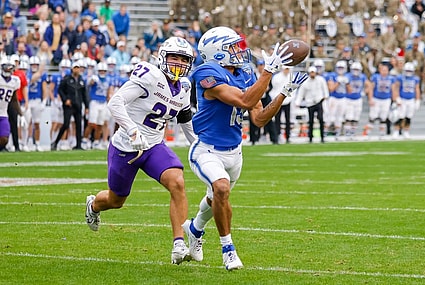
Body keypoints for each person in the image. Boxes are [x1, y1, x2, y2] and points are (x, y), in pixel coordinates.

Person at [183, 26, 308, 270]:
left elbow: (259, 118)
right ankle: (228, 249)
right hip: (206, 149)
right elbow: (244, 100)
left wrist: (283, 93)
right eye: (233, 47)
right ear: (216, 52)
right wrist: (268, 73)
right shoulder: (206, 73)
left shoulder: (245, 73)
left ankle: (195, 228)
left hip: (234, 152)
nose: (240, 51)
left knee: (214, 198)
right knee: (220, 189)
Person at [84, 37, 197, 265]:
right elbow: (115, 103)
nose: (178, 63)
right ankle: (93, 205)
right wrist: (133, 131)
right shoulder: (149, 76)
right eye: (174, 57)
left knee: (177, 181)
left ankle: (179, 244)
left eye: (183, 59)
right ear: (162, 57)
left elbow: (185, 118)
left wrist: (197, 145)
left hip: (154, 145)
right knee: (116, 201)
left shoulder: (184, 86)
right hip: (127, 146)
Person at [51, 61, 88, 150]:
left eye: (78, 68)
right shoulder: (66, 79)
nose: (77, 70)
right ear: (72, 69)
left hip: (78, 104)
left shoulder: (81, 80)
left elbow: (84, 94)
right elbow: (60, 90)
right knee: (66, 124)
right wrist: (65, 99)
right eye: (75, 68)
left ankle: (78, 145)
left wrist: (87, 106)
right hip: (69, 105)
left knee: (79, 125)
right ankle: (55, 142)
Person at [295, 66, 329, 143]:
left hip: (319, 101)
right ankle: (310, 137)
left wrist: (326, 96)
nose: (312, 74)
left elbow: (325, 88)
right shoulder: (306, 83)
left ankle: (322, 137)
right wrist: (298, 102)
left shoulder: (320, 80)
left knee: (321, 119)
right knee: (310, 121)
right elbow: (301, 93)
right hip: (310, 103)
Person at [392, 62, 421, 138]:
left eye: (410, 71)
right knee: (400, 116)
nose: (408, 73)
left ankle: (406, 131)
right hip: (402, 99)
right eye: (407, 71)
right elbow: (396, 88)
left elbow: (417, 89)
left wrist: (417, 100)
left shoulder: (415, 78)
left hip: (411, 100)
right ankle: (396, 131)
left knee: (409, 116)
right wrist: (397, 98)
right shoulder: (400, 77)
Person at [0, 57, 21, 152]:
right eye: (6, 67)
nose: (8, 69)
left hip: (3, 113)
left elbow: (14, 99)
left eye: (10, 67)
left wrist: (21, 114)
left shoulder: (15, 81)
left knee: (4, 139)